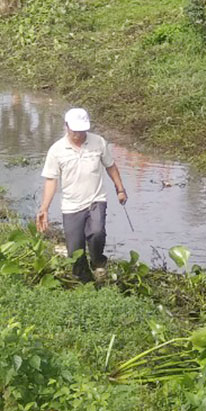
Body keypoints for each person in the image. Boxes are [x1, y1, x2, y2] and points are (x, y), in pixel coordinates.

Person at [36, 108, 128, 283]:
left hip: (96, 199)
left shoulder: (98, 142)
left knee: (97, 232)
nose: (79, 134)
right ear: (66, 126)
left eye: (82, 130)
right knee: (75, 253)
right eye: (75, 130)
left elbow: (110, 166)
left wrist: (120, 189)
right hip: (71, 205)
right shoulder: (57, 150)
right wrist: (44, 208)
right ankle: (85, 283)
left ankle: (98, 263)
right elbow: (51, 180)